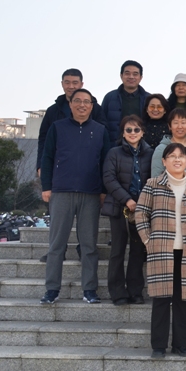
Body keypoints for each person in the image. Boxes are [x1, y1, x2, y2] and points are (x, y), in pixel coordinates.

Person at [135, 143, 186, 359]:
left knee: (183, 299)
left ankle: (181, 344)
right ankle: (158, 346)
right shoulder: (153, 184)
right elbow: (140, 213)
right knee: (161, 298)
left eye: (181, 156)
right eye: (172, 156)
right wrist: (148, 240)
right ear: (164, 161)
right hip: (161, 250)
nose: (177, 160)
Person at [39, 89, 111, 305]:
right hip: (61, 191)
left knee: (89, 245)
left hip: (90, 193)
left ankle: (89, 289)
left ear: (92, 106)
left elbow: (105, 163)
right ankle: (52, 289)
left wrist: (103, 191)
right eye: (77, 101)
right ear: (70, 104)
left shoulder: (100, 130)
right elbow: (47, 157)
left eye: (86, 101)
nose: (82, 105)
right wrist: (46, 186)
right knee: (56, 244)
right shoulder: (57, 127)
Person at [102, 115, 152, 306]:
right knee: (118, 250)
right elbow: (109, 179)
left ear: (143, 132)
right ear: (123, 133)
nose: (132, 133)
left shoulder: (150, 153)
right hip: (119, 208)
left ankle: (135, 291)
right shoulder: (114, 153)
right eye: (128, 130)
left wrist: (143, 203)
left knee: (138, 251)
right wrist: (127, 200)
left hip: (142, 210)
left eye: (136, 129)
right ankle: (117, 293)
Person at [38, 69, 106, 175]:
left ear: (81, 84)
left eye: (75, 83)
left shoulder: (95, 109)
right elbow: (44, 139)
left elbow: (103, 138)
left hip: (89, 166)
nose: (71, 86)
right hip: (59, 166)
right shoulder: (53, 110)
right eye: (67, 82)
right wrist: (40, 164)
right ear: (62, 84)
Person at [101, 60, 149, 142]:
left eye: (135, 74)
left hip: (142, 145)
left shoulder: (148, 99)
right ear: (121, 76)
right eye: (127, 73)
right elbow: (102, 123)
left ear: (141, 77)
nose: (131, 77)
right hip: (115, 144)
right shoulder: (109, 98)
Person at [152, 109, 186, 177]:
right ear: (169, 126)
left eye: (183, 123)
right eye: (175, 123)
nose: (180, 126)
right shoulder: (161, 149)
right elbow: (156, 177)